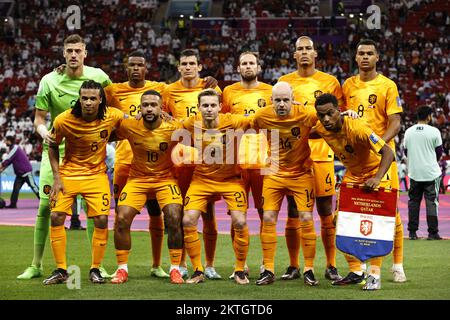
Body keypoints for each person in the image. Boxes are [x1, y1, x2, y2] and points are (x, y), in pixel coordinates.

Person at [18, 34, 112, 280]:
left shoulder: (99, 77)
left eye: (77, 51)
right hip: (56, 152)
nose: (73, 55)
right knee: (45, 207)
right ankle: (36, 265)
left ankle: (97, 266)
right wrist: (43, 133)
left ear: (85, 53)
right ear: (63, 53)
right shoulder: (49, 80)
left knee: (96, 211)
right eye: (69, 50)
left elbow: (114, 106)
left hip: (90, 152)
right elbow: (39, 119)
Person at [42, 80, 124, 285]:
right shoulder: (64, 119)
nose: (88, 102)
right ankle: (61, 269)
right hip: (68, 174)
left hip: (96, 176)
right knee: (56, 216)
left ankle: (95, 269)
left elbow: (133, 122)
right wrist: (57, 177)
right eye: (84, 98)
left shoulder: (112, 115)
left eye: (92, 99)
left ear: (100, 100)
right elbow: (52, 146)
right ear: (79, 98)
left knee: (102, 221)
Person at [314, 93, 395, 290]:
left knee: (375, 226)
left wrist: (376, 178)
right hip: (353, 175)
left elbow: (388, 152)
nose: (326, 119)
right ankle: (356, 271)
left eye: (330, 114)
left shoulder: (357, 127)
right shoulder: (320, 127)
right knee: (339, 221)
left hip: (376, 173)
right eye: (321, 115)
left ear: (338, 111)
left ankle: (374, 276)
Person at [278, 36, 343, 281]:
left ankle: (331, 265)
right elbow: (280, 116)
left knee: (326, 209)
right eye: (299, 49)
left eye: (308, 48)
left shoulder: (330, 82)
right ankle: (294, 265)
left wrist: (309, 128)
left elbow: (336, 119)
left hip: (322, 153)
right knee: (294, 210)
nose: (304, 52)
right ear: (294, 55)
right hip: (294, 156)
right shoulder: (284, 82)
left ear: (315, 53)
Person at [342, 38, 406, 283]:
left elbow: (396, 122)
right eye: (361, 53)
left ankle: (397, 265)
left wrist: (378, 143)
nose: (365, 57)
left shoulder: (388, 86)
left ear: (377, 57)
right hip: (357, 160)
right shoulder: (347, 86)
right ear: (356, 58)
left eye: (370, 53)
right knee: (352, 212)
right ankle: (358, 269)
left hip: (382, 158)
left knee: (391, 213)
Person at [105, 50, 169, 278]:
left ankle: (156, 264)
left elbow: (184, 90)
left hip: (156, 166)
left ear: (146, 67)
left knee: (156, 213)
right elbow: (89, 91)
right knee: (121, 216)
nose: (135, 69)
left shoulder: (160, 88)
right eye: (131, 65)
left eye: (139, 65)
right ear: (126, 66)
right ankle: (121, 266)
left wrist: (206, 80)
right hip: (124, 162)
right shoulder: (113, 91)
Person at [110, 90, 184, 284]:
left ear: (161, 109)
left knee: (175, 216)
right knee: (121, 219)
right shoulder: (129, 126)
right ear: (140, 108)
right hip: (137, 180)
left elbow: (200, 137)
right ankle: (122, 269)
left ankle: (175, 269)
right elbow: (101, 133)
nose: (149, 108)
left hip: (165, 179)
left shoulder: (174, 127)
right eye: (145, 105)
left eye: (153, 105)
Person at [181, 89, 253, 285]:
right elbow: (171, 125)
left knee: (239, 221)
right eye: (205, 105)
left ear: (220, 107)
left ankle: (239, 269)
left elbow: (257, 118)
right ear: (199, 108)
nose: (209, 109)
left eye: (213, 105)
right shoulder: (190, 123)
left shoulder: (233, 121)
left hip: (231, 180)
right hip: (201, 180)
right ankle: (197, 270)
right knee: (188, 220)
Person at [163, 49, 222, 280]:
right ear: (178, 67)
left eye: (192, 63)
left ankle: (210, 264)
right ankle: (184, 263)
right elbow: (164, 120)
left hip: (207, 160)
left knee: (209, 214)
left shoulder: (211, 89)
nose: (188, 67)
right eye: (184, 63)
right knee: (182, 214)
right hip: (180, 162)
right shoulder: (168, 90)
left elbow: (222, 121)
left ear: (199, 67)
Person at [254, 82, 319, 286]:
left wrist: (347, 114)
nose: (281, 104)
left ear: (293, 99)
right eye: (278, 100)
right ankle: (269, 269)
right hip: (273, 172)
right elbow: (244, 125)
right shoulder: (262, 116)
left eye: (286, 100)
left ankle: (309, 268)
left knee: (306, 218)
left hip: (301, 173)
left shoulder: (306, 113)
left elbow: (330, 118)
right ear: (271, 100)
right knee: (269, 217)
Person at [222, 51, 272, 278]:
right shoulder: (228, 92)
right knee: (236, 214)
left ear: (259, 68)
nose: (248, 66)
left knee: (265, 213)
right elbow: (222, 123)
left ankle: (266, 261)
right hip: (237, 162)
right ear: (238, 68)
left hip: (264, 160)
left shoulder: (271, 92)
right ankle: (239, 264)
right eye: (244, 63)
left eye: (252, 63)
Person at [404, 106, 443, 241]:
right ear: (428, 116)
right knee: (432, 202)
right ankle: (432, 233)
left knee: (413, 202)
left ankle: (412, 233)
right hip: (431, 173)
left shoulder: (408, 132)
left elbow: (406, 152)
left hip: (414, 172)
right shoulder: (434, 131)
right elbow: (439, 153)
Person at [0, 136, 39, 208]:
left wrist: (1, 166)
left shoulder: (15, 148)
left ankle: (45, 203)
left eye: (6, 141)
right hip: (20, 174)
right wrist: (1, 169)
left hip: (26, 172)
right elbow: (9, 162)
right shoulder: (13, 148)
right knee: (15, 189)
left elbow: (7, 160)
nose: (5, 142)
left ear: (10, 141)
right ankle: (13, 204)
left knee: (34, 187)